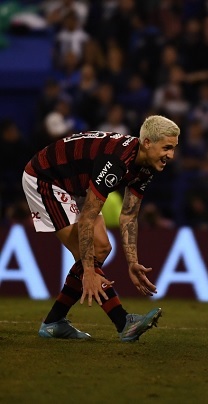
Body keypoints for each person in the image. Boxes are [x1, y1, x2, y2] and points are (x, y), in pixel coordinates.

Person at [22, 115, 180, 341]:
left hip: (74, 183)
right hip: (46, 178)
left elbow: (128, 215)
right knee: (86, 256)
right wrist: (88, 271)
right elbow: (87, 219)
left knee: (102, 249)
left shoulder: (147, 165)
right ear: (147, 143)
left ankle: (54, 321)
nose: (171, 155)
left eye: (173, 148)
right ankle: (123, 321)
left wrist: (132, 262)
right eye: (167, 148)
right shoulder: (117, 162)